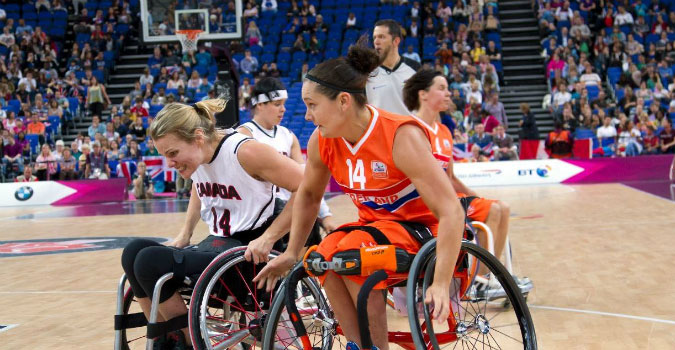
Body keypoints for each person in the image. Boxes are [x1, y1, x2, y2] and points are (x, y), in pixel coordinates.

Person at [254, 44, 464, 350]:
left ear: (343, 101)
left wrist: (442, 282)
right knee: (322, 257)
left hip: (422, 232)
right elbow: (309, 195)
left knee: (352, 254)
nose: (308, 116)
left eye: (312, 105)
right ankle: (358, 344)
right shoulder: (322, 141)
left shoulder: (400, 136)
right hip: (376, 231)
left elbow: (452, 211)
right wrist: (291, 251)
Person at [120, 98, 308, 349]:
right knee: (133, 251)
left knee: (148, 261)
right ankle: (165, 336)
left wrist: (269, 237)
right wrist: (185, 233)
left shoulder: (245, 152)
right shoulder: (198, 157)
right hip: (218, 248)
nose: (169, 163)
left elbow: (307, 187)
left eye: (172, 153)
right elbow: (200, 188)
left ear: (198, 137)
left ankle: (185, 340)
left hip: (248, 258)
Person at [403, 69, 531, 294]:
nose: (448, 94)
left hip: (447, 196)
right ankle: (476, 284)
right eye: (441, 88)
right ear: (423, 95)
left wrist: (477, 196)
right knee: (492, 211)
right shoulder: (411, 129)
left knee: (502, 207)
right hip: (424, 201)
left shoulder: (443, 131)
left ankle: (488, 275)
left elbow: (450, 178)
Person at [238, 77, 337, 232]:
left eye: (284, 104)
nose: (283, 109)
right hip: (257, 218)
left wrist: (325, 215)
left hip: (289, 212)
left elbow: (307, 179)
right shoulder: (244, 134)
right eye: (277, 104)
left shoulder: (288, 136)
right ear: (259, 104)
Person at [365, 19, 421, 116]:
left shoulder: (415, 68)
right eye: (374, 38)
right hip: (380, 130)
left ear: (396, 41)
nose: (376, 42)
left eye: (381, 37)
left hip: (410, 129)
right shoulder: (366, 72)